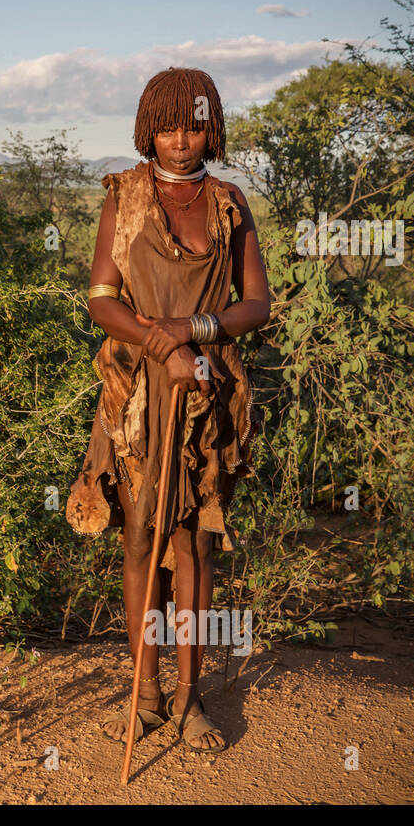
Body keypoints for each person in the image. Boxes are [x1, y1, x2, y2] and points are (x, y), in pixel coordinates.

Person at [67, 67, 270, 753]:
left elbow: (255, 304)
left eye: (193, 127)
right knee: (136, 541)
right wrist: (159, 344)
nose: (180, 142)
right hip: (135, 396)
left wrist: (191, 336)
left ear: (211, 129)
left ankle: (191, 701)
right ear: (146, 127)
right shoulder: (122, 199)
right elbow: (101, 301)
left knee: (193, 546)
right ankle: (144, 695)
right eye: (167, 127)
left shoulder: (229, 202)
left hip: (204, 394)